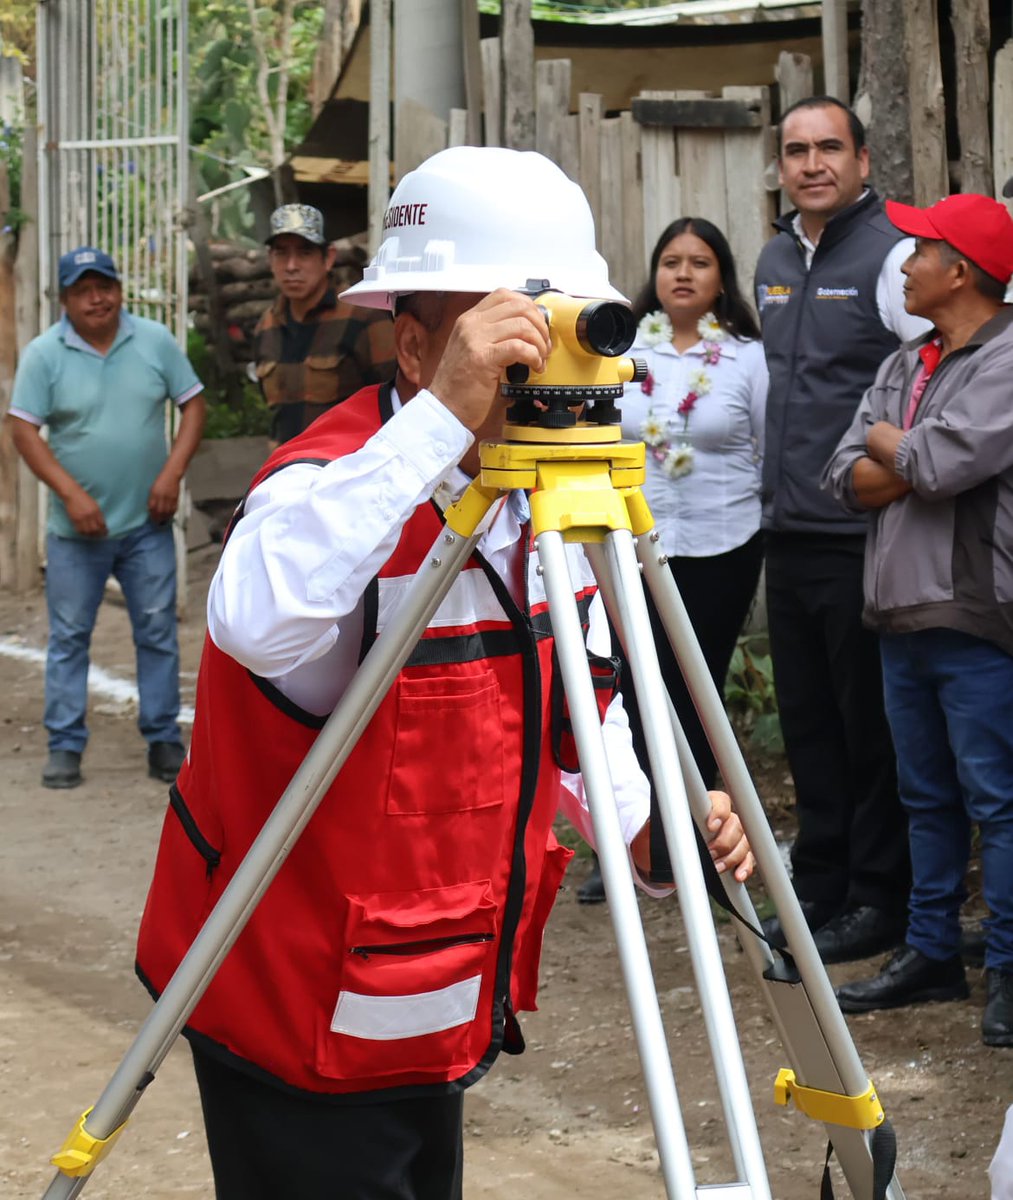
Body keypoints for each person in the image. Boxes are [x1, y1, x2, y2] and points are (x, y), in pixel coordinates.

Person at [134, 147, 755, 1200]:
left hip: (427, 1001)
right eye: (502, 328)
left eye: (558, 325)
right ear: (416, 346)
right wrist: (438, 426)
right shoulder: (332, 486)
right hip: (286, 1000)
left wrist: (656, 832)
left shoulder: (543, 508)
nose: (538, 358)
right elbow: (256, 620)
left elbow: (580, 707)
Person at [823, 192, 1013, 1046]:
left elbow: (933, 465)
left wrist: (890, 442)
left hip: (978, 619)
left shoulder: (1006, 359)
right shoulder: (906, 362)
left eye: (918, 251)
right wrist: (900, 449)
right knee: (924, 798)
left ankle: (1006, 968)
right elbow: (842, 474)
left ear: (959, 270)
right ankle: (931, 952)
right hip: (897, 615)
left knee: (997, 804)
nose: (902, 266)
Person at [754, 96, 930, 963]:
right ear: (780, 166)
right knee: (808, 725)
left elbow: (938, 372)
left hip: (860, 532)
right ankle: (817, 888)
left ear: (862, 160)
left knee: (869, 733)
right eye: (796, 151)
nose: (811, 164)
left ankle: (876, 898)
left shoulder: (892, 254)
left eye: (829, 148)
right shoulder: (773, 256)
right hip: (784, 531)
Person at [579, 217, 767, 904]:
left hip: (722, 542)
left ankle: (702, 838)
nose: (683, 273)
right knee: (629, 687)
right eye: (670, 261)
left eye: (699, 262)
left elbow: (765, 446)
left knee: (698, 691)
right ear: (654, 274)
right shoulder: (621, 348)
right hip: (630, 546)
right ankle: (633, 837)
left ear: (722, 279)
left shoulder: (748, 357)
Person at [6, 247, 205, 789]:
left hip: (148, 525)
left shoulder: (154, 341)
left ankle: (162, 738)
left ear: (119, 289)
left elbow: (193, 404)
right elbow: (23, 430)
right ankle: (65, 744)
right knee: (70, 637)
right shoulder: (44, 355)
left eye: (105, 287)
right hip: (75, 533)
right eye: (83, 291)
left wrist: (171, 475)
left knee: (157, 632)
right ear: (65, 300)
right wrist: (70, 494)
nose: (97, 299)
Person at [252, 202, 397, 447]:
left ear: (328, 258)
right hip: (285, 466)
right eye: (281, 253)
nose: (291, 266)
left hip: (349, 464)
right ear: (270, 260)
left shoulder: (363, 317)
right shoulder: (265, 327)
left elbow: (400, 402)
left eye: (305, 253)